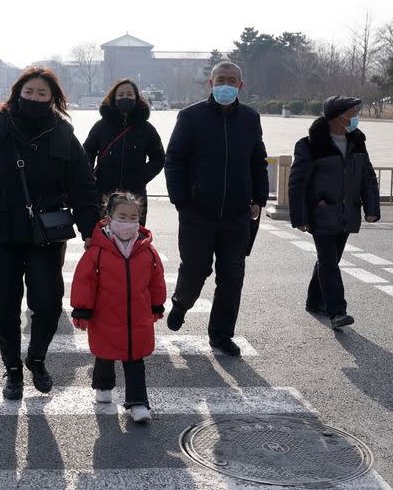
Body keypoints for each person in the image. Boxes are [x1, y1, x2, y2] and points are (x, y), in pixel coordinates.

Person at [0, 67, 99, 400]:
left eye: (42, 94)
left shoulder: (63, 134)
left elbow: (83, 185)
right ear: (17, 93)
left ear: (53, 99)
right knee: (4, 305)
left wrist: (91, 228)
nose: (35, 98)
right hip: (1, 231)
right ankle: (13, 369)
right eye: (29, 92)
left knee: (48, 304)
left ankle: (36, 358)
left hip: (46, 234)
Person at [163, 61, 269, 355]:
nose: (226, 84)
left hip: (237, 214)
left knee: (232, 275)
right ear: (210, 83)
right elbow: (173, 161)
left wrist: (259, 199)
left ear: (240, 86)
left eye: (232, 80)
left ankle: (221, 334)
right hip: (198, 212)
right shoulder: (191, 117)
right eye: (221, 79)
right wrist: (181, 201)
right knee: (196, 269)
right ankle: (182, 303)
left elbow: (258, 161)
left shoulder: (250, 118)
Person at [70, 191, 167, 423]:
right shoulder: (98, 250)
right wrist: (82, 309)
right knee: (105, 353)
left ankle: (138, 402)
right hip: (105, 315)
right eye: (122, 216)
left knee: (135, 358)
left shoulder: (147, 250)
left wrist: (157, 304)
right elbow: (84, 281)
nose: (128, 222)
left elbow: (156, 279)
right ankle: (103, 386)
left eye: (133, 217)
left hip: (138, 317)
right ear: (109, 217)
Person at [288, 95, 380, 329]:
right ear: (338, 117)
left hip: (348, 212)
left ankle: (314, 300)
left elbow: (367, 176)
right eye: (352, 113)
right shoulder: (310, 144)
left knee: (330, 259)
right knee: (329, 262)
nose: (356, 117)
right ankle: (337, 312)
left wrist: (372, 209)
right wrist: (300, 216)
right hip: (321, 213)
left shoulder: (357, 141)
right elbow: (297, 182)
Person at [83, 78, 165, 226]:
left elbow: (158, 158)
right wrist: (90, 175)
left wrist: (142, 176)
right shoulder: (101, 126)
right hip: (104, 192)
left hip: (134, 196)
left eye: (129, 94)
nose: (125, 97)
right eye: (120, 95)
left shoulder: (146, 128)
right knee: (104, 238)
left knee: (133, 237)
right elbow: (87, 150)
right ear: (113, 98)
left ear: (136, 98)